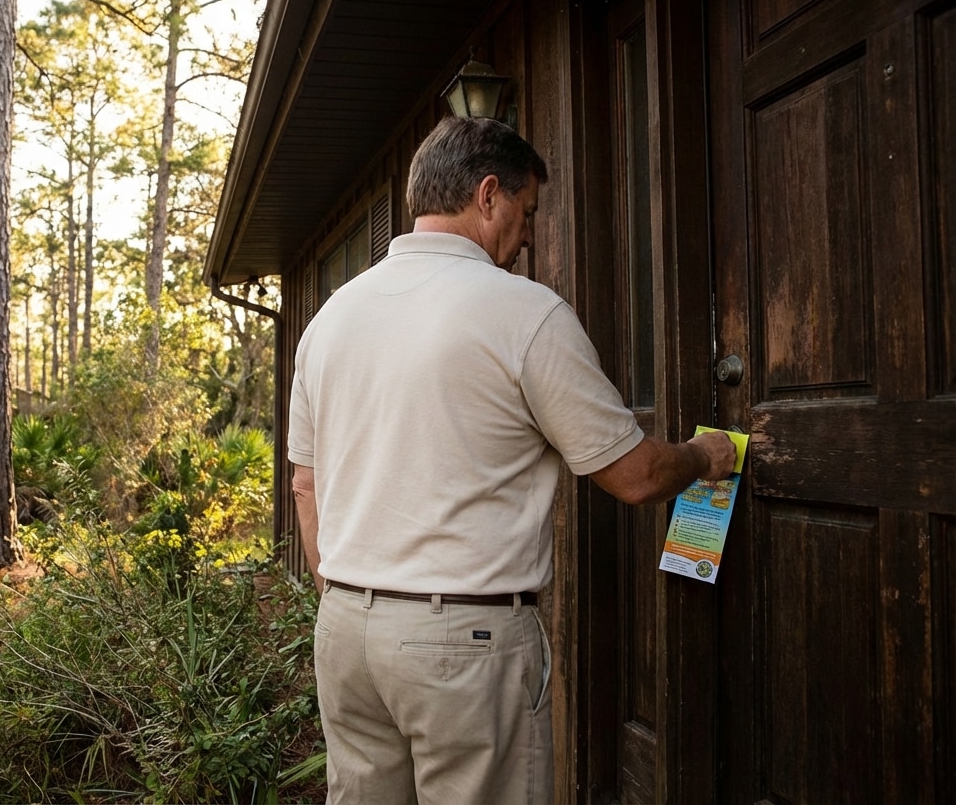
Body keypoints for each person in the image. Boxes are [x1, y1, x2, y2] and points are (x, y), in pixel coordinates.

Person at [287, 115, 737, 804]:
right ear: (488, 195)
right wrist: (703, 455)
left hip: (345, 630)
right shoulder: (524, 314)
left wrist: (348, 600)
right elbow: (636, 474)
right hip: (460, 644)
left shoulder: (331, 319)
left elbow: (305, 484)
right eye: (527, 213)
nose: (528, 236)